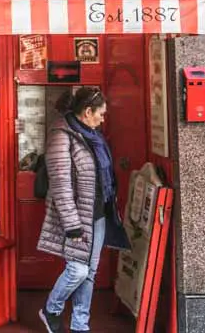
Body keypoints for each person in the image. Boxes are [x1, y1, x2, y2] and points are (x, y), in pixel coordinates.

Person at [38, 87, 131, 333]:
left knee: (90, 272)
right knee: (77, 269)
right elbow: (60, 184)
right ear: (87, 111)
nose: (103, 118)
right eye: (101, 113)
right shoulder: (61, 135)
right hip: (77, 217)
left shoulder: (94, 136)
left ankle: (80, 325)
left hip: (99, 213)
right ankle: (51, 309)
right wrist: (72, 225)